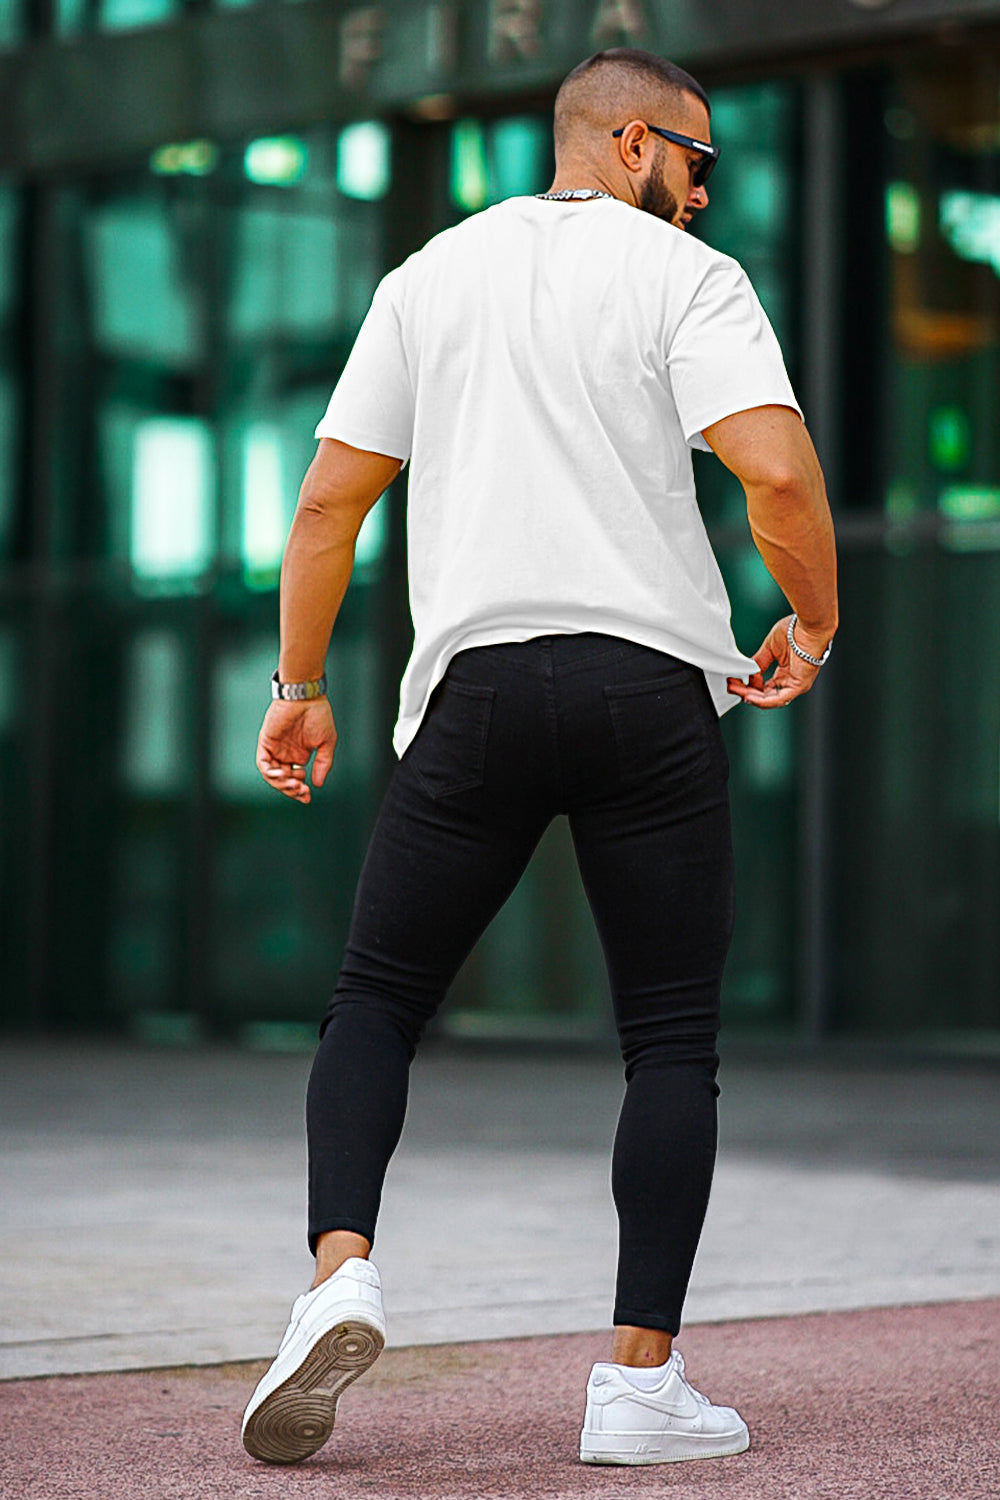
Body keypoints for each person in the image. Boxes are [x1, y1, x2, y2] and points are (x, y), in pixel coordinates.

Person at [243, 46, 838, 1469]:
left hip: (479, 693)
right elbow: (773, 471)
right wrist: (814, 621)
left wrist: (301, 684)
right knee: (670, 1041)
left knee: (377, 1000)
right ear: (632, 144)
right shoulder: (688, 280)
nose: (707, 192)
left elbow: (328, 505)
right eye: (698, 160)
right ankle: (637, 1386)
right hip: (648, 694)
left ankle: (339, 1276)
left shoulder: (429, 277)